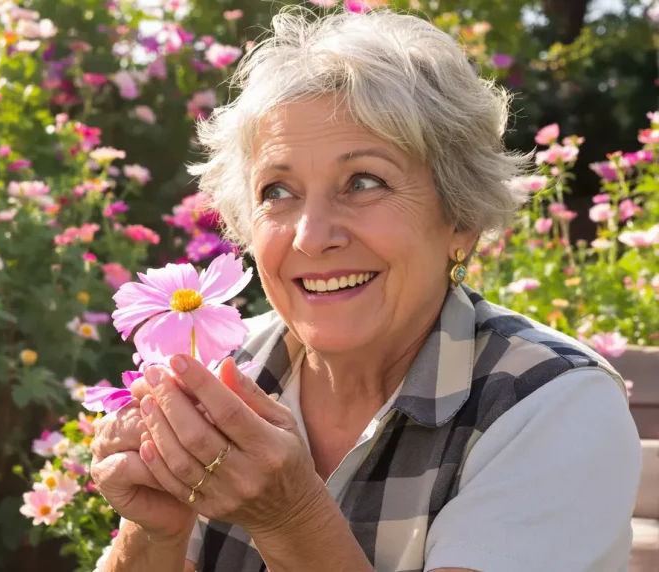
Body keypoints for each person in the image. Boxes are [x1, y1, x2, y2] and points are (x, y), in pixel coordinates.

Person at [89, 6, 643, 572]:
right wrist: (155, 532)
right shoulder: (224, 373)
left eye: (363, 182)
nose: (311, 237)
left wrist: (289, 518)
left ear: (461, 219)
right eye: (277, 191)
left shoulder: (551, 404)